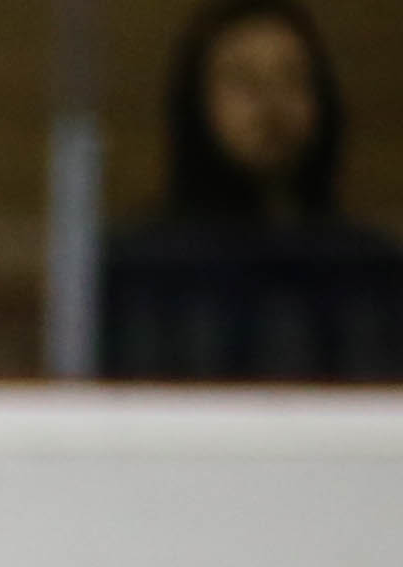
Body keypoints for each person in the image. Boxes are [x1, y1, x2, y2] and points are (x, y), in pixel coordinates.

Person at [104, 0, 403, 381]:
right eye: (243, 81)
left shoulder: (367, 267)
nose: (271, 106)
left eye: (292, 79)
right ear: (196, 100)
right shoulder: (145, 266)